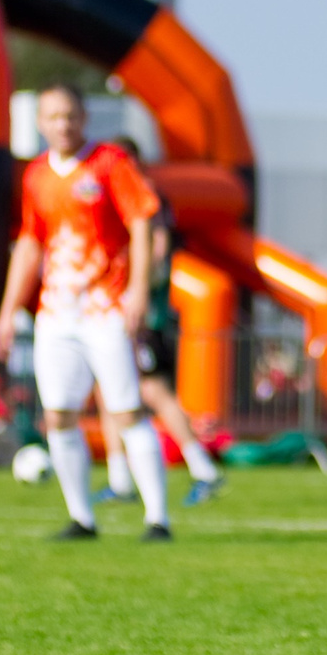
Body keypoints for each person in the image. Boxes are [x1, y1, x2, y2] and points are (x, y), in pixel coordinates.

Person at [0, 87, 171, 541]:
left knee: (127, 410)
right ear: (40, 122)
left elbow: (142, 219)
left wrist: (137, 291)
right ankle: (82, 518)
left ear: (84, 116)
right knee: (58, 415)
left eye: (70, 115)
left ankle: (157, 519)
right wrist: (8, 311)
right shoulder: (35, 176)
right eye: (53, 117)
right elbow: (31, 243)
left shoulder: (110, 163)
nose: (63, 124)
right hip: (57, 314)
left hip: (105, 308)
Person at [111, 138, 224, 506]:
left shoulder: (147, 195)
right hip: (113, 307)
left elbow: (157, 248)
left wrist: (136, 290)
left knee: (153, 390)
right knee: (110, 388)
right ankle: (120, 478)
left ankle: (202, 466)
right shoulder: (115, 191)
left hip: (142, 312)